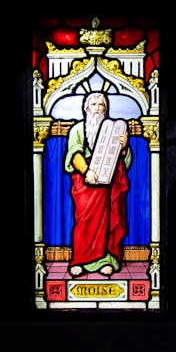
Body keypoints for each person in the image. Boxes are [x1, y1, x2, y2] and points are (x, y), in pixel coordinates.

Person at [63, 91, 131, 277]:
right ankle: (80, 260)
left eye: (102, 105)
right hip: (86, 184)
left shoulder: (114, 129)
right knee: (84, 221)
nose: (98, 109)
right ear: (86, 108)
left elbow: (124, 161)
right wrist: (87, 170)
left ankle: (107, 259)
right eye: (94, 105)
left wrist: (123, 147)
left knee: (109, 220)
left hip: (108, 183)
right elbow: (74, 154)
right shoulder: (78, 129)